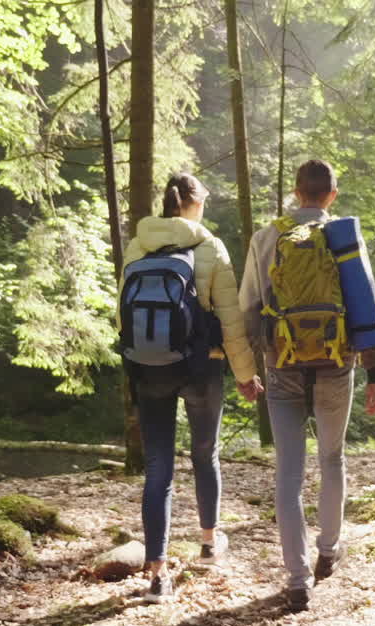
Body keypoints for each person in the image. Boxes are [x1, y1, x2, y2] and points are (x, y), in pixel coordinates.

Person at [239, 159, 375, 612]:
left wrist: (247, 370)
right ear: (332, 195)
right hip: (335, 363)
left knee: (288, 470)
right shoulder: (343, 236)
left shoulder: (267, 237)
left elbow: (248, 306)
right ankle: (328, 550)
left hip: (281, 364)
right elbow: (367, 306)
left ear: (296, 192)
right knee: (332, 456)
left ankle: (298, 578)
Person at [121, 173, 264, 603]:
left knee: (158, 467)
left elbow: (121, 313)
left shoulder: (138, 243)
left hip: (148, 368)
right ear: (195, 203)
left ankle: (157, 574)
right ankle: (208, 542)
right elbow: (231, 320)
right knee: (205, 454)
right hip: (202, 367)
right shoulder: (210, 247)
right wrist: (245, 373)